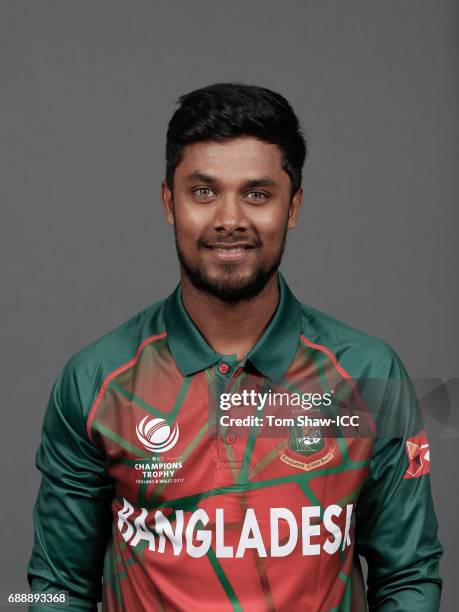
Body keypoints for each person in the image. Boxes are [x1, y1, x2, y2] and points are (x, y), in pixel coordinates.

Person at [27, 82, 442, 611]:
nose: (229, 219)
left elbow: (409, 574)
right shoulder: (95, 380)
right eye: (203, 191)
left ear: (292, 207)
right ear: (167, 203)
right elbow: (53, 586)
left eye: (257, 193)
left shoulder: (369, 373)